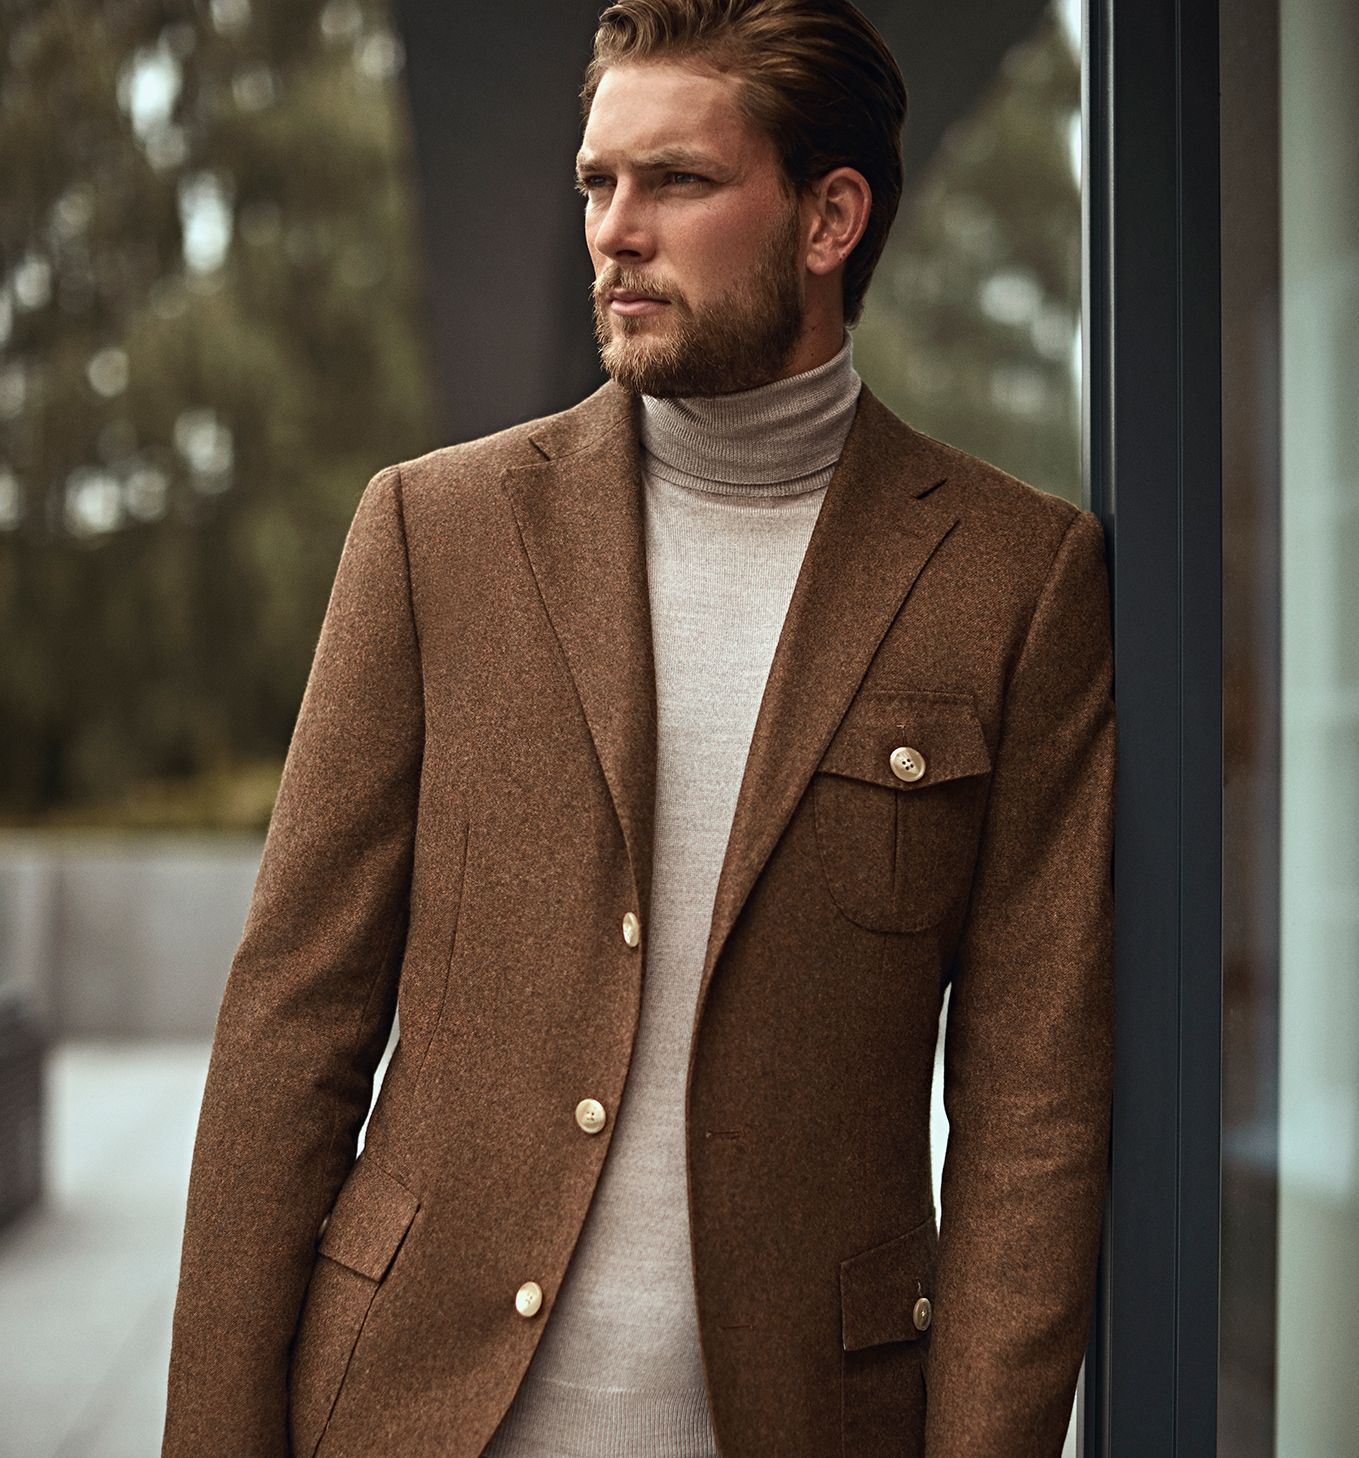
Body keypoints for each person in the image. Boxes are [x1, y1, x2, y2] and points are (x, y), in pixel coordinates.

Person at [161, 3, 1116, 1456]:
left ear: (828, 216)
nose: (616, 228)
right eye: (598, 182)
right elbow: (292, 1028)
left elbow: (1033, 1114)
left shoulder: (1013, 580)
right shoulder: (434, 535)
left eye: (675, 180)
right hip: (411, 1411)